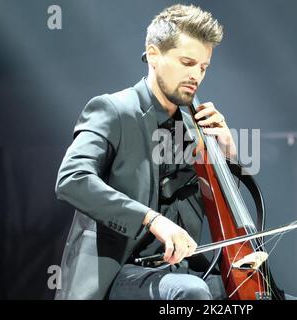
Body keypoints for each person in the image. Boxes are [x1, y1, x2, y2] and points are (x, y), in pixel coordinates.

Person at [55, 4, 236, 300]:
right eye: (187, 62)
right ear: (153, 55)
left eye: (203, 67)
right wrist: (151, 218)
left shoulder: (196, 128)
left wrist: (226, 153)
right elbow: (71, 179)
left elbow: (219, 207)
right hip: (118, 272)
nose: (196, 76)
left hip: (178, 270)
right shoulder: (114, 110)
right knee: (190, 293)